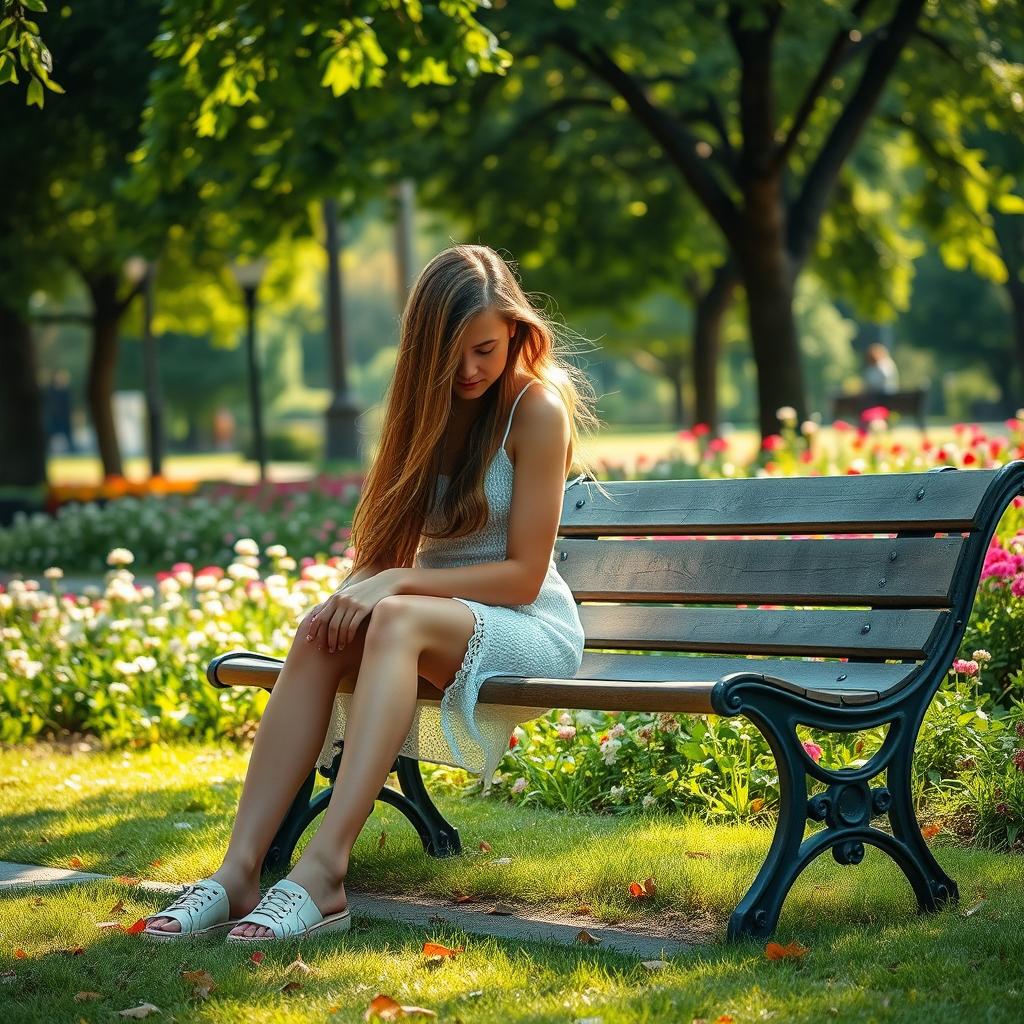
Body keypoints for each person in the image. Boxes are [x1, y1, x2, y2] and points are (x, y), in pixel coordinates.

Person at [142, 243, 605, 942]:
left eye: (484, 349)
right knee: (318, 630)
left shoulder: (535, 409)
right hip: (427, 618)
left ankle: (324, 873)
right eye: (452, 355)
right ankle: (238, 871)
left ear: (514, 330)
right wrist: (352, 597)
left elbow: (523, 576)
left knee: (393, 619)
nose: (470, 370)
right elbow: (386, 553)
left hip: (526, 625)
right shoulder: (423, 412)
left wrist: (395, 582)